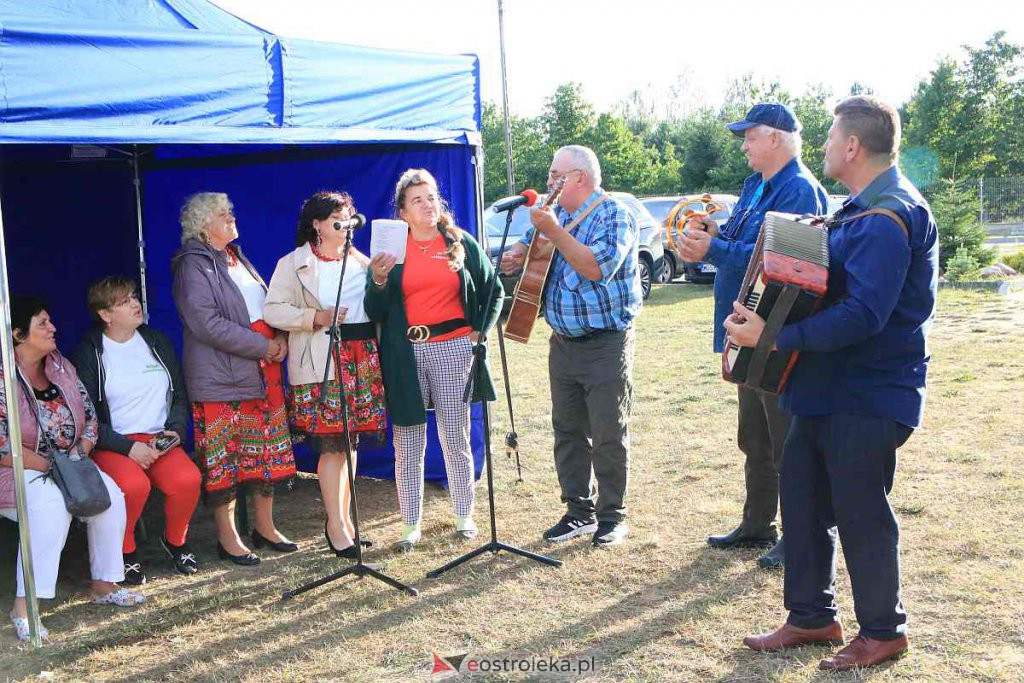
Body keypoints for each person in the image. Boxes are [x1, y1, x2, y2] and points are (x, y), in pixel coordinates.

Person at [731, 96, 938, 671]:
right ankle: (811, 616)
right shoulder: (856, 210)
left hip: (868, 392)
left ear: (852, 146)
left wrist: (770, 340)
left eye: (828, 138)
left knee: (859, 510)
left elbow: (864, 316)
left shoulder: (889, 216)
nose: (822, 147)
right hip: (823, 386)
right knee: (800, 500)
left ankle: (883, 630)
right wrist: (763, 309)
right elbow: (819, 285)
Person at [678, 103, 827, 568]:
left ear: (776, 138)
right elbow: (748, 240)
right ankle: (759, 524)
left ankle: (800, 535)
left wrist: (715, 248)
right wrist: (716, 231)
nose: (743, 145)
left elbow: (782, 264)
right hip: (747, 327)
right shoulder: (758, 185)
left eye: (749, 136)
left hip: (775, 330)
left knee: (787, 440)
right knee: (755, 435)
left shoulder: (799, 189)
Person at [500, 145, 640, 548]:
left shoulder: (614, 214)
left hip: (605, 344)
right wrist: (517, 256)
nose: (547, 181)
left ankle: (613, 517)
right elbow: (532, 248)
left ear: (578, 177)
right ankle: (579, 511)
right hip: (562, 343)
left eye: (553, 175)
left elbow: (597, 268)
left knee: (609, 432)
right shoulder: (553, 212)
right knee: (567, 431)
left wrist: (554, 231)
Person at [366, 169, 503, 552]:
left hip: (453, 346)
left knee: (455, 435)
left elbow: (494, 288)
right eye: (417, 200)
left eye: (431, 198)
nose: (427, 206)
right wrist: (377, 280)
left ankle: (464, 516)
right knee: (409, 440)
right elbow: (373, 308)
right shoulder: (391, 249)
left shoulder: (459, 241)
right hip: (406, 352)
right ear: (403, 211)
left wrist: (481, 329)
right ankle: (410, 525)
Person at [1, 296, 143, 642]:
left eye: (50, 321)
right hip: (18, 468)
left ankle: (104, 584)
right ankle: (24, 607)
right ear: (18, 334)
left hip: (71, 463)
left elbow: (90, 417)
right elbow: (4, 444)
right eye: (43, 323)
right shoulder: (3, 373)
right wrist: (52, 464)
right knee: (49, 507)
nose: (53, 329)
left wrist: (81, 451)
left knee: (109, 493)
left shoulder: (60, 365)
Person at [171, 192, 296, 567]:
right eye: (223, 214)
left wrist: (281, 338)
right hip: (224, 375)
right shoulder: (192, 265)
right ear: (204, 225)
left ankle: (265, 527)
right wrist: (263, 345)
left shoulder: (236, 257)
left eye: (230, 211)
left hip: (263, 369)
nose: (231, 217)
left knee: (266, 451)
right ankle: (229, 539)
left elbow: (266, 305)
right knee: (224, 457)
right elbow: (206, 324)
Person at [264, 191, 387, 559]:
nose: (346, 220)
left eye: (349, 213)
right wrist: (315, 317)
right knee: (333, 447)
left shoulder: (361, 262)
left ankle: (346, 522)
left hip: (361, 356)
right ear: (317, 224)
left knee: (350, 446)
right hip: (323, 358)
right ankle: (335, 526)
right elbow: (273, 310)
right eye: (337, 215)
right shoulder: (294, 263)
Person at [72, 276, 202, 585]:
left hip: (159, 439)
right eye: (124, 301)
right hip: (114, 444)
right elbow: (87, 417)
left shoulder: (156, 341)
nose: (135, 304)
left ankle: (175, 542)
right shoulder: (89, 352)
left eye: (134, 296)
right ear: (105, 314)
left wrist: (174, 430)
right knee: (133, 486)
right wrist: (127, 448)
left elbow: (180, 396)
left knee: (189, 479)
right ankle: (125, 551)